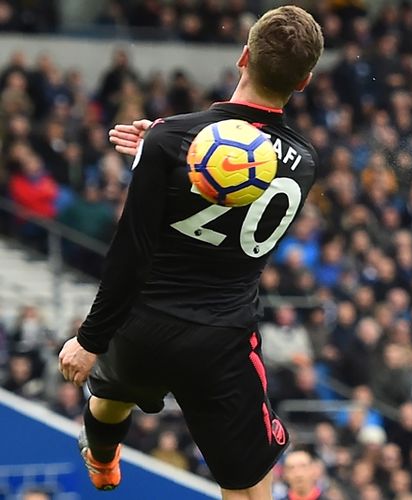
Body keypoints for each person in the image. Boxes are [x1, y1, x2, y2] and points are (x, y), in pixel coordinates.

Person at [57, 6, 324, 499]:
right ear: (304, 81)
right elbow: (230, 192)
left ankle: (101, 455)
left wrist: (89, 339)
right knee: (247, 487)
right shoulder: (305, 163)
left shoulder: (170, 138)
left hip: (144, 322)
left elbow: (130, 251)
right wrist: (162, 147)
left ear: (244, 56)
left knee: (111, 399)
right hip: (221, 342)